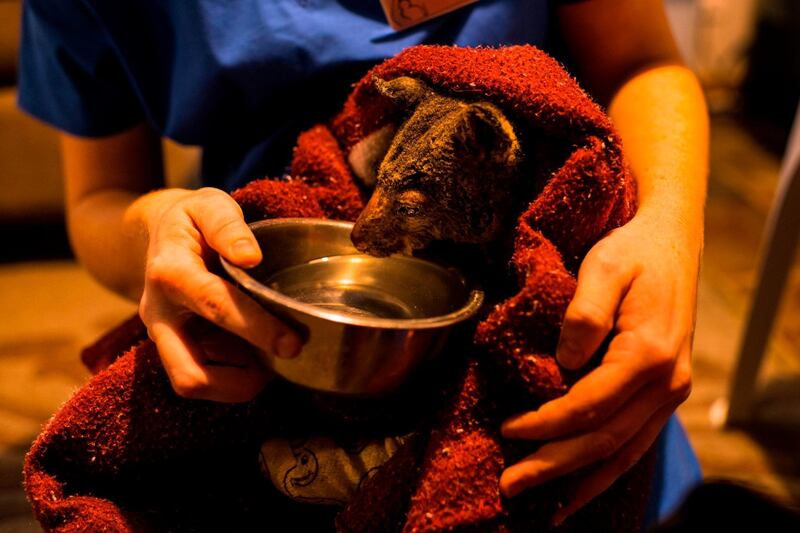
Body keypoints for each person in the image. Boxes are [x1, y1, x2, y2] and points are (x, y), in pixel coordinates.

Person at [18, 0, 708, 525]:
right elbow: (100, 199)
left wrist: (670, 233)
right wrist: (159, 229)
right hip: (265, 332)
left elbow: (641, 60)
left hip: (566, 360)